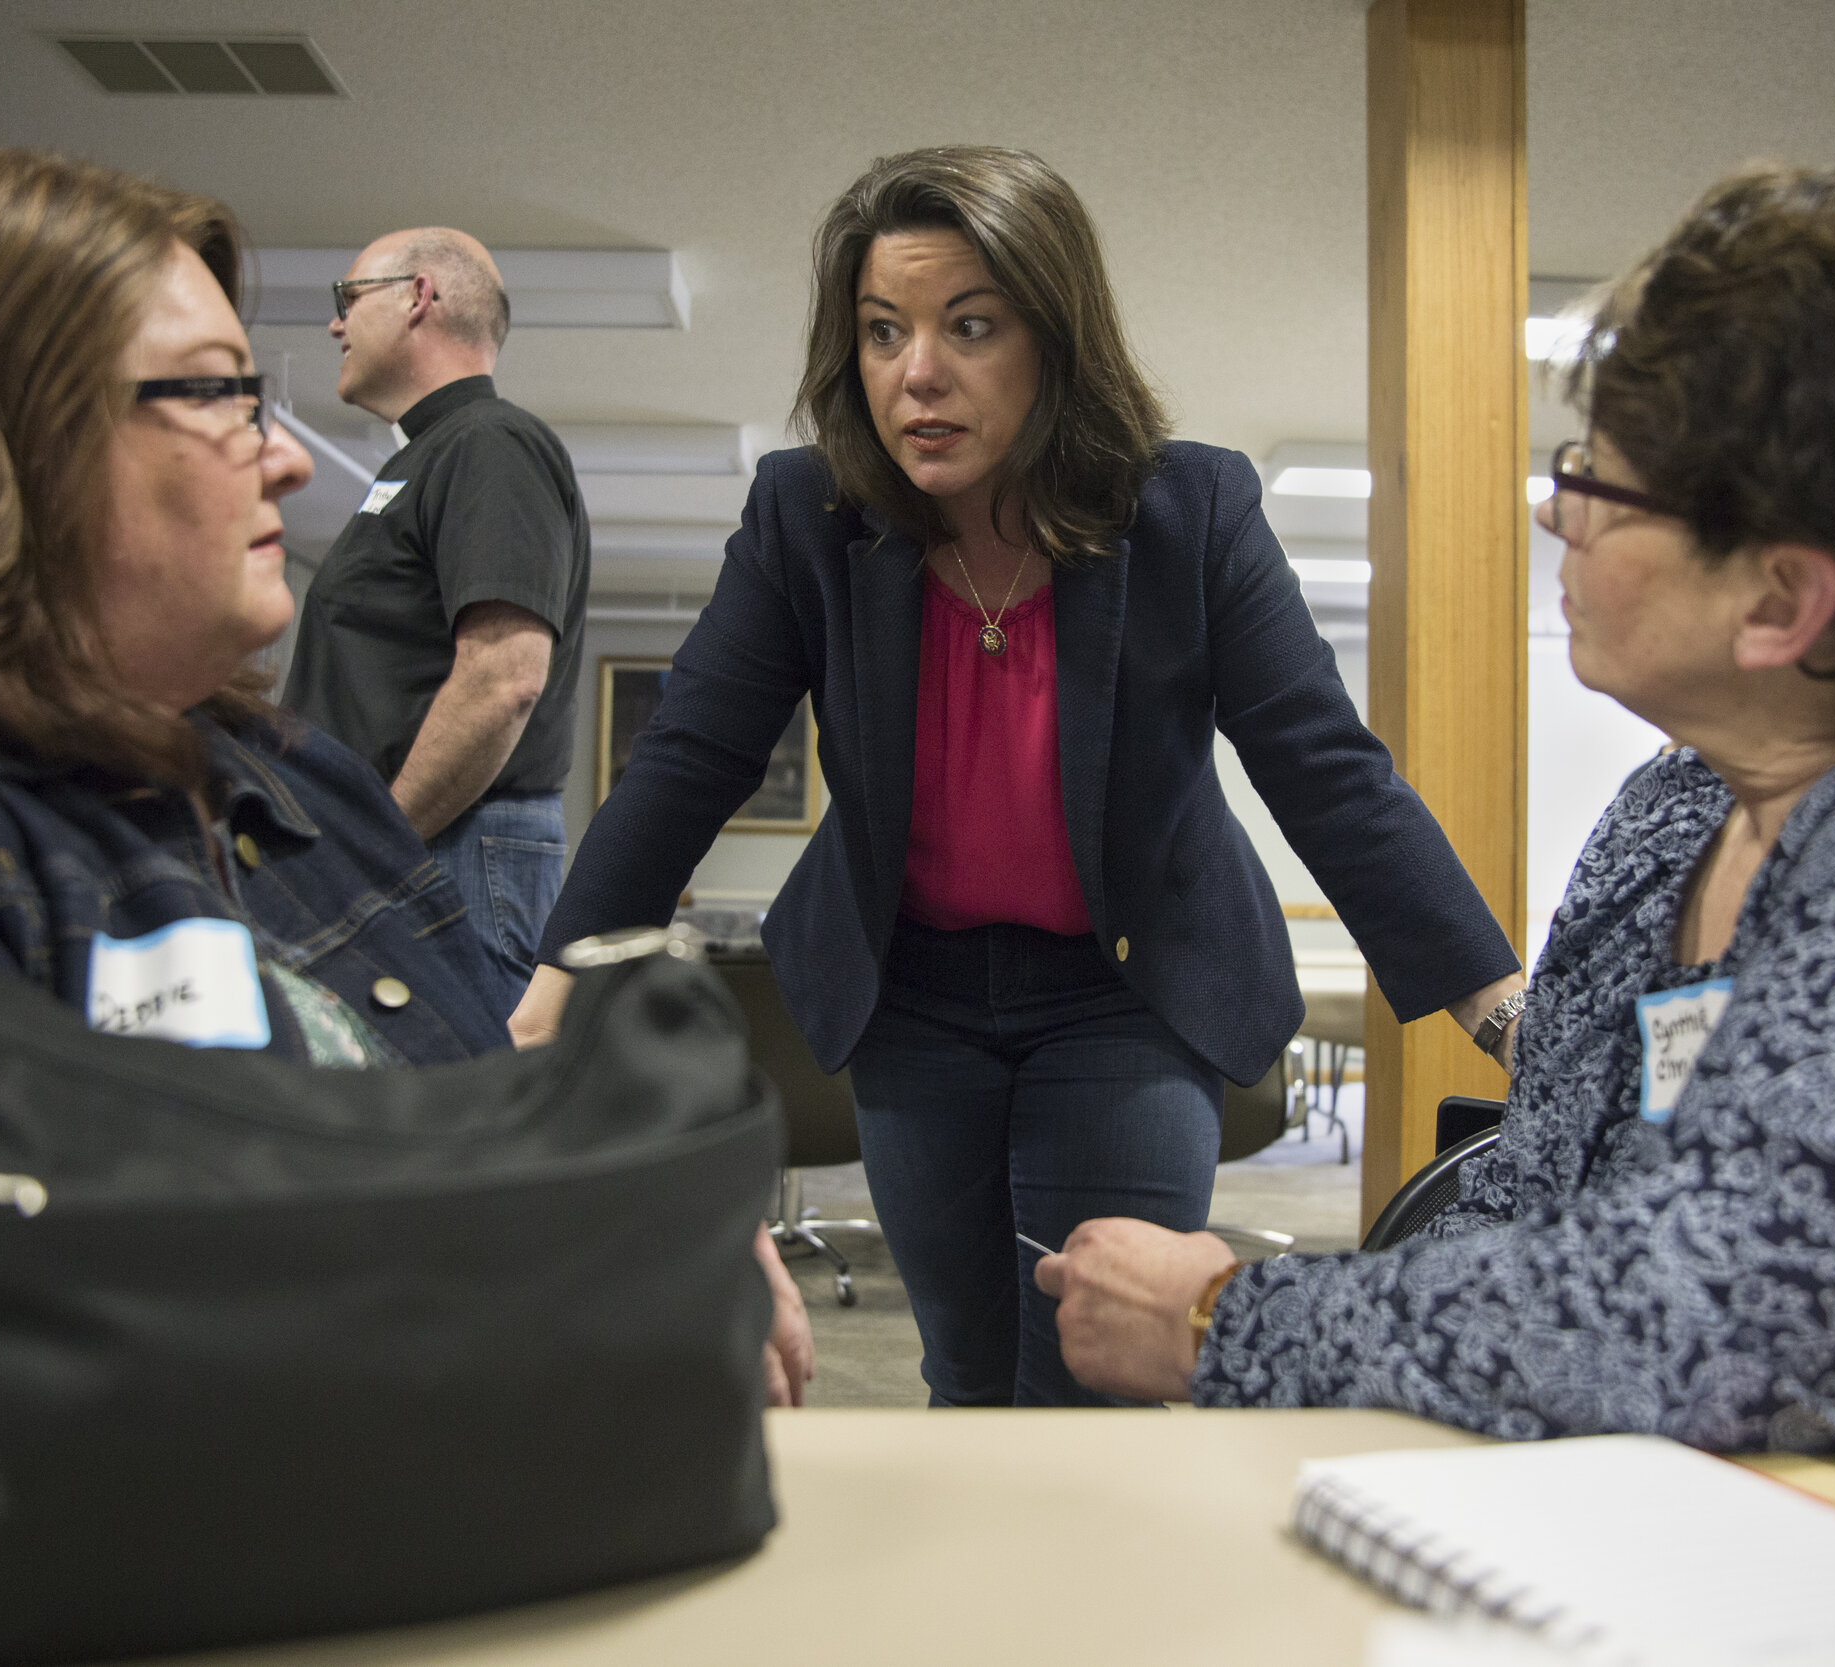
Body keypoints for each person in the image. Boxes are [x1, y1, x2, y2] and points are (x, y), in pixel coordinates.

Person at [1034, 161, 1835, 1456]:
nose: (1554, 507)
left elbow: (1718, 1331)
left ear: (1779, 601)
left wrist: (1222, 1316)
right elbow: (1540, 1207)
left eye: (1600, 476)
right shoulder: (1676, 809)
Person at [0, 135, 805, 1489]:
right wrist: (584, 1295)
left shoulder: (301, 782)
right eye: (221, 395)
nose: (285, 461)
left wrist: (651, 1208)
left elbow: (500, 1130)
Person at [512, 146, 1524, 1407]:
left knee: (1103, 1377)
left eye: (969, 326)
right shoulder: (808, 517)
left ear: (1056, 342)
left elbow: (1322, 764)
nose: (916, 374)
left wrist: (1502, 1005)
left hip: (1124, 989)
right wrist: (562, 974)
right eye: (882, 332)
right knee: (967, 1366)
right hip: (914, 993)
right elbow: (692, 754)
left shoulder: (1187, 513)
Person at [280, 227, 591, 1021]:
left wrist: (374, 845)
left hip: (447, 846)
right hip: (427, 844)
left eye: (348, 300)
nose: (335, 326)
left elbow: (502, 680)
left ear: (419, 296)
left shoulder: (489, 443)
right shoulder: (425, 457)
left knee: (462, 1123)